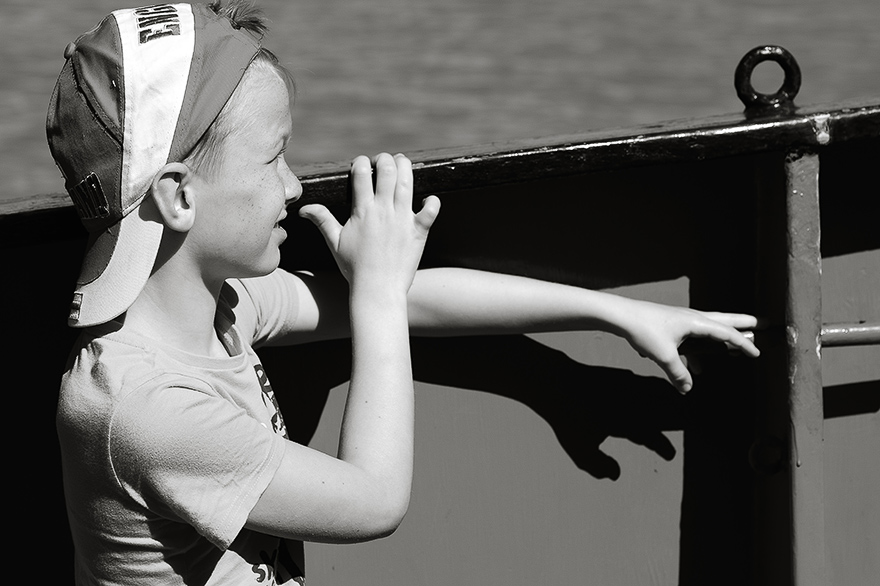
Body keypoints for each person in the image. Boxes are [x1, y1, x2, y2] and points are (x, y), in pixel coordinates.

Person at [48, 2, 760, 585]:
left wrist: (614, 311)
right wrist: (379, 296)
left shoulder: (224, 307)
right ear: (177, 196)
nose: (295, 187)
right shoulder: (138, 410)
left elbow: (416, 301)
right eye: (273, 158)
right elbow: (373, 501)